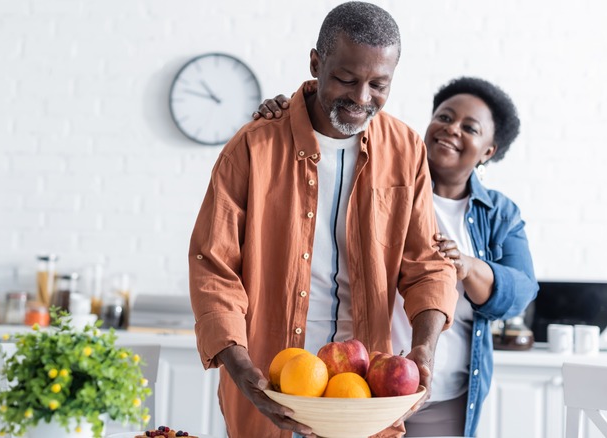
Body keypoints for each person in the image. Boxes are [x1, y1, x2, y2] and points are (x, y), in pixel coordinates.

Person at [189, 2, 458, 437]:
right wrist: (239, 367)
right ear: (316, 63)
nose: (362, 98)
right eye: (346, 79)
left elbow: (425, 262)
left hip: (365, 397)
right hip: (270, 386)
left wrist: (425, 348)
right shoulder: (253, 148)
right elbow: (214, 269)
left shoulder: (406, 150)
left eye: (379, 84)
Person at [253, 76, 538, 436]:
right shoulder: (384, 178)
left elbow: (521, 293)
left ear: (488, 151)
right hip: (364, 389)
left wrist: (468, 267)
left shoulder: (498, 213)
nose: (451, 130)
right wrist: (292, 114)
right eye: (445, 117)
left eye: (470, 127)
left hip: (448, 394)